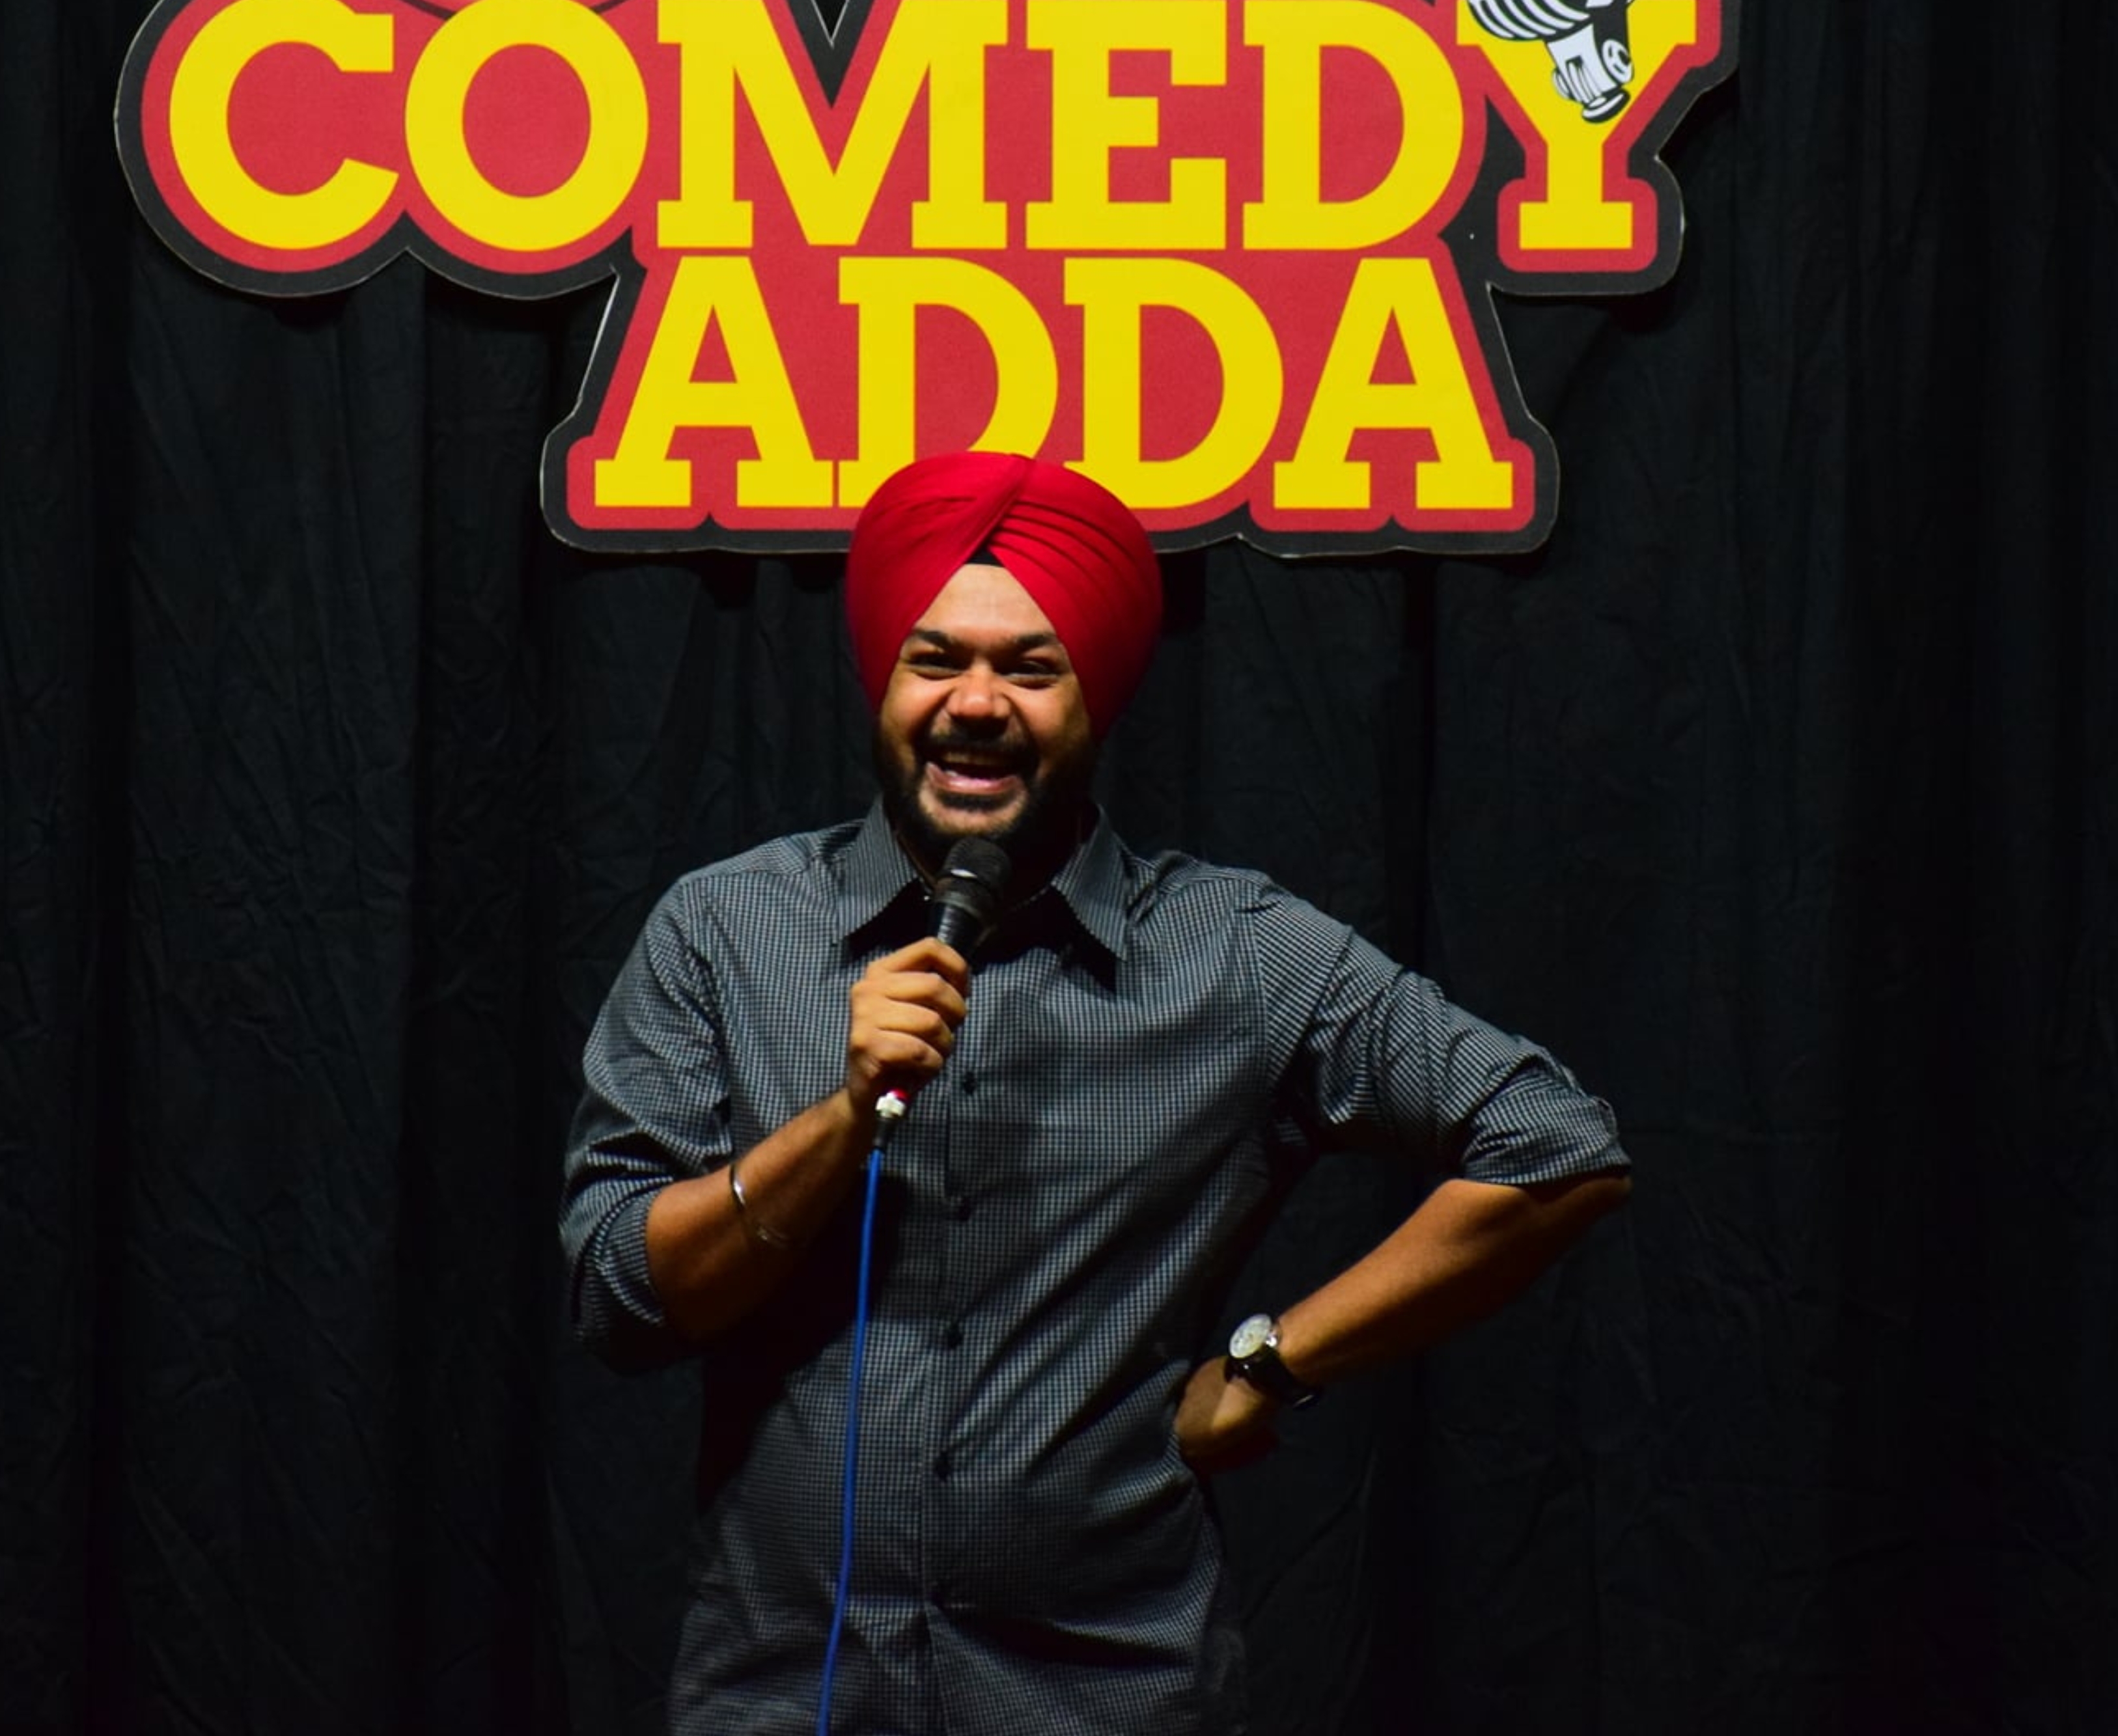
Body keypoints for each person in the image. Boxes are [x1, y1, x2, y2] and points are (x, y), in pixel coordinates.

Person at [560, 452, 1629, 1736]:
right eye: (934, 659)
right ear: (881, 678)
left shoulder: (1236, 954)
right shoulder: (726, 930)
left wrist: (1272, 1365)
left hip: (1108, 1698)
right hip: (785, 1698)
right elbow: (620, 1295)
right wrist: (840, 1120)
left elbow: (1555, 1147)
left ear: (1096, 696)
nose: (974, 703)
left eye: (1030, 667)